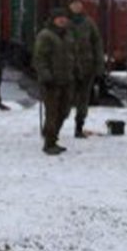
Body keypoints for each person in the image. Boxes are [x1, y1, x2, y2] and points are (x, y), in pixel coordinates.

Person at [32, 8, 76, 155]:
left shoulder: (68, 35)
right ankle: (49, 143)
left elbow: (72, 55)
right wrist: (45, 76)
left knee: (64, 111)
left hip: (66, 79)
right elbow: (40, 58)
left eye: (64, 17)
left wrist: (77, 71)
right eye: (59, 18)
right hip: (51, 81)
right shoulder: (46, 36)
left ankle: (50, 134)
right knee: (52, 112)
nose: (62, 20)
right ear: (53, 20)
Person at [67, 0, 104, 137]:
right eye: (74, 4)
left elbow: (97, 44)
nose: (76, 7)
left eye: (78, 4)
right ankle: (53, 127)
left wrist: (99, 66)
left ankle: (79, 127)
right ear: (69, 7)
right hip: (68, 68)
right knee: (65, 100)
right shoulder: (64, 22)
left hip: (86, 67)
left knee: (83, 100)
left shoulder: (89, 23)